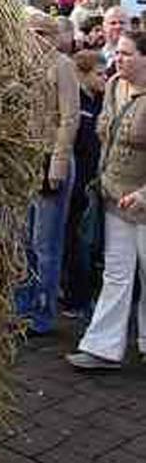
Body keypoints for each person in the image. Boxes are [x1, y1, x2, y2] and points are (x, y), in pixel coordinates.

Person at [67, 32, 146, 369]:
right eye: (120, 53)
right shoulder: (113, 85)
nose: (119, 58)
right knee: (116, 272)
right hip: (114, 195)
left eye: (127, 54)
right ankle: (102, 347)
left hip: (142, 200)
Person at [16, 10, 80, 335]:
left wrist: (57, 164)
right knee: (23, 241)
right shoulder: (23, 65)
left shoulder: (63, 66)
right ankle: (22, 306)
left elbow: (69, 120)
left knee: (46, 244)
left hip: (50, 161)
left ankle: (42, 312)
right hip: (26, 162)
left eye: (37, 34)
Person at [61, 50, 104, 317]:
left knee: (88, 242)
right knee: (78, 242)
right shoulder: (76, 102)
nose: (104, 78)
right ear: (82, 74)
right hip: (79, 183)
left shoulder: (102, 101)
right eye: (99, 74)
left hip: (95, 181)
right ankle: (77, 299)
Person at [101, 6, 128, 76]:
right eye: (113, 23)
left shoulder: (140, 56)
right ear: (104, 27)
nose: (118, 26)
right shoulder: (93, 55)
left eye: (122, 23)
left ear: (129, 26)